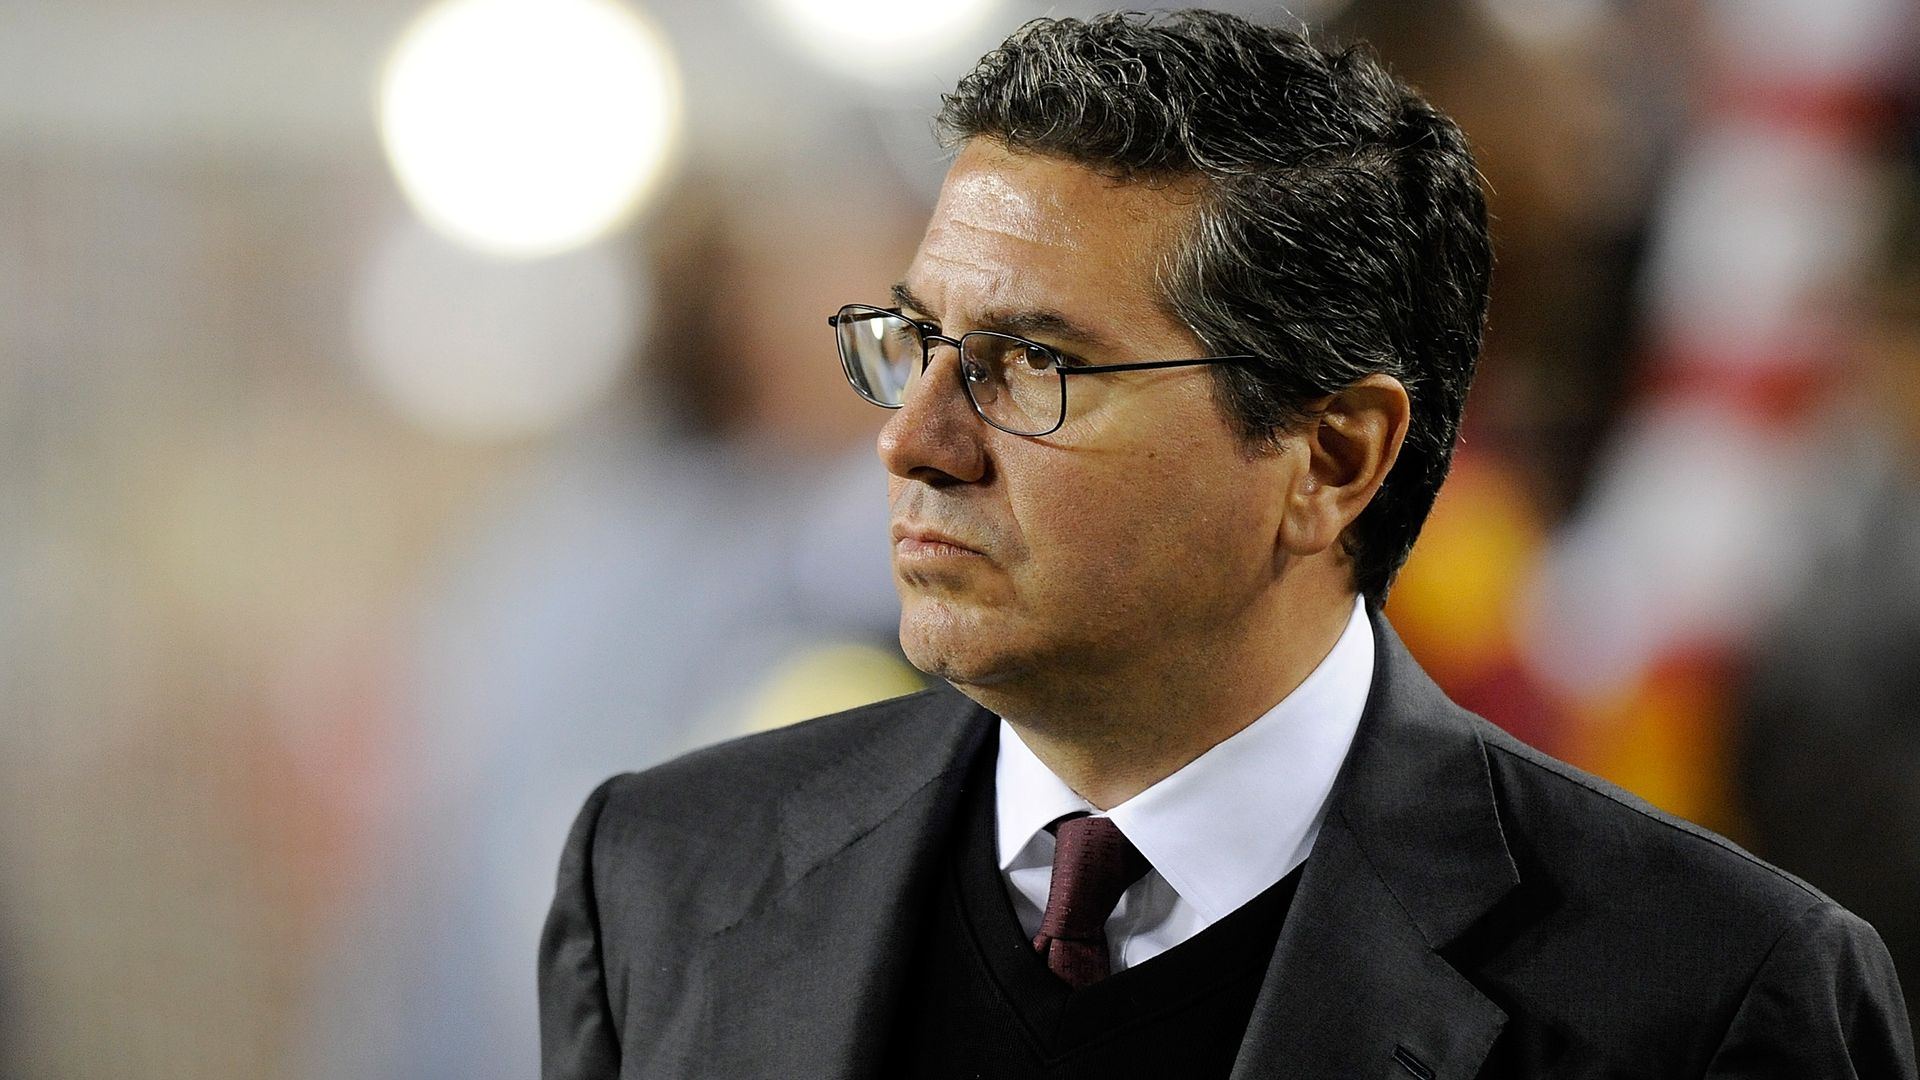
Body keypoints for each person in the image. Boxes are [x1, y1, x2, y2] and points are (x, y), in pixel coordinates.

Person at [539, 12, 1916, 1077]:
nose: (915, 439)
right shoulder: (662, 874)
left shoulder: (1715, 992)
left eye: (1030, 366)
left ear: (1330, 459)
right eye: (912, 343)